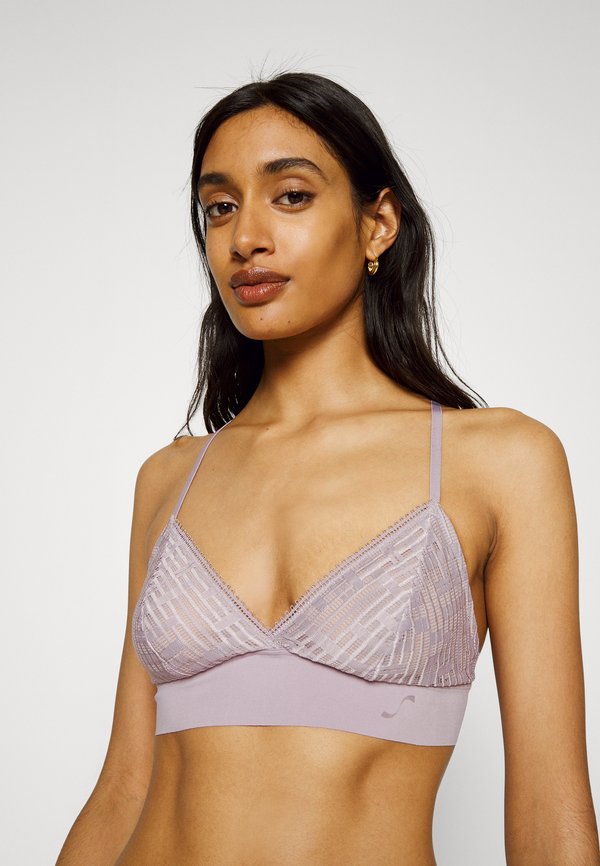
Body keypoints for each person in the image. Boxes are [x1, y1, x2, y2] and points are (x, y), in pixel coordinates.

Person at [56, 71, 599, 866]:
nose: (245, 238)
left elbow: (552, 814)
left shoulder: (502, 461)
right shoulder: (169, 478)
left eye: (292, 196)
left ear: (378, 225)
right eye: (220, 207)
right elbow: (123, 788)